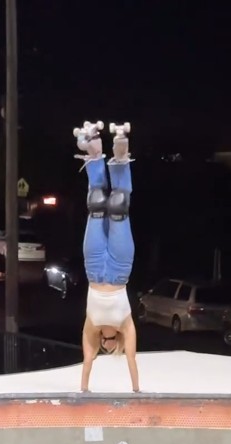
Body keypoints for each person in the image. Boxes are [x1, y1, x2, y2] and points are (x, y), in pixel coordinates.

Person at [75, 120, 140, 393]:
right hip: (119, 270)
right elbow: (132, 359)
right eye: (110, 346)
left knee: (97, 203)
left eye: (104, 345)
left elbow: (87, 361)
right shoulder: (126, 325)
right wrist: (137, 391)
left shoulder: (92, 326)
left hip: (93, 269)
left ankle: (94, 149)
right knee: (119, 205)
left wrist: (84, 389)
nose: (107, 343)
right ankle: (121, 155)